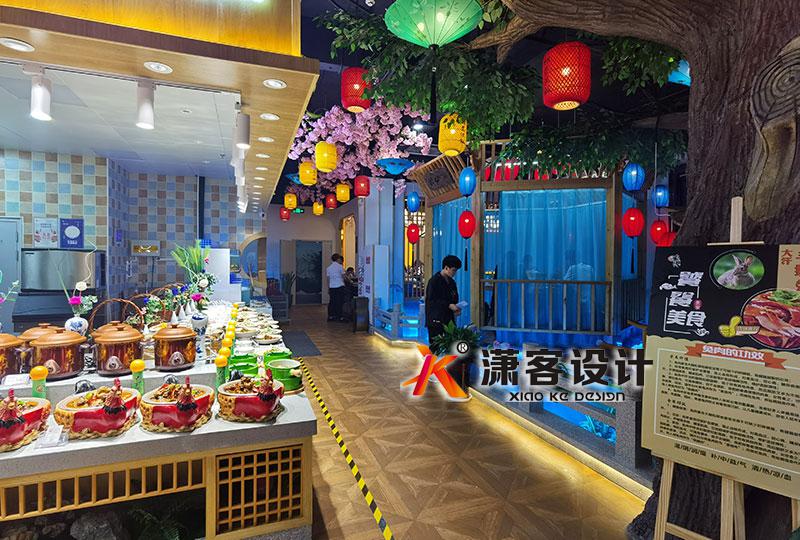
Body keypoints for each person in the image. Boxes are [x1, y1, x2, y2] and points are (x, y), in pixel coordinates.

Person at [424, 255, 462, 340]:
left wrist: (456, 308)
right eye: (453, 270)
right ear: (446, 268)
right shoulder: (434, 281)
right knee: (436, 345)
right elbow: (432, 301)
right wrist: (448, 305)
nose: (454, 273)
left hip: (448, 320)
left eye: (456, 271)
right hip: (436, 321)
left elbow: (454, 298)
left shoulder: (452, 282)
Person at [326, 254, 346, 321]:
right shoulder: (340, 267)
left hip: (332, 287)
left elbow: (328, 279)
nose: (341, 260)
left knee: (332, 302)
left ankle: (331, 316)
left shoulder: (329, 268)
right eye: (340, 259)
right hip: (340, 286)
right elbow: (344, 277)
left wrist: (328, 288)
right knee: (340, 302)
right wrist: (349, 280)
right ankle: (340, 316)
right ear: (338, 259)